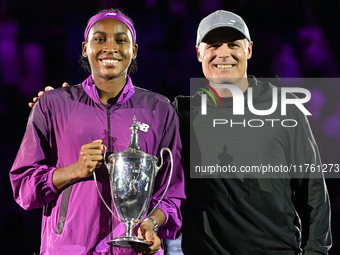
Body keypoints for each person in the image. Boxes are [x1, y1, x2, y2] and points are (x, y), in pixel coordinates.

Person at [29, 10, 332, 255]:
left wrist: (317, 251)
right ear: (198, 53)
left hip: (276, 250)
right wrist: (64, 101)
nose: (222, 54)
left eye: (233, 45)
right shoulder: (181, 112)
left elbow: (313, 191)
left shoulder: (285, 110)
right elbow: (126, 112)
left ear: (249, 49)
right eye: (213, 46)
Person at [11, 8, 185, 255]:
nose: (110, 47)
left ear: (133, 51)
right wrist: (74, 170)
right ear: (85, 48)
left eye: (121, 40)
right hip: (69, 249)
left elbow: (171, 194)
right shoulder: (53, 104)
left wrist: (151, 223)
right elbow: (24, 187)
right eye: (100, 39)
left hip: (133, 251)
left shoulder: (160, 109)